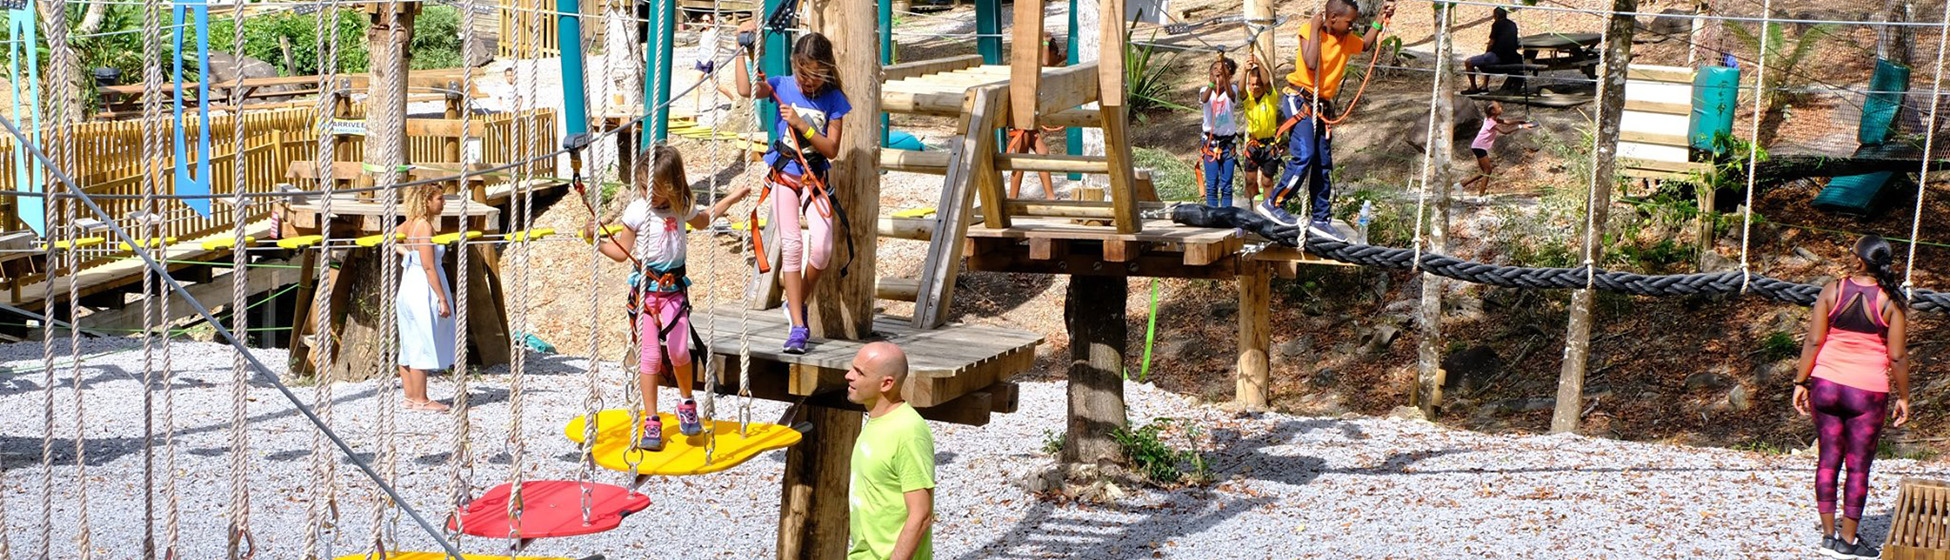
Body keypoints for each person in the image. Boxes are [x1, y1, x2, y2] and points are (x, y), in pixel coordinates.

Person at [587, 144, 752, 451]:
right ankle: (651, 419)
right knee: (649, 357)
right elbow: (621, 253)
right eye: (645, 187)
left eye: (658, 189)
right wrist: (594, 239)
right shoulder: (637, 211)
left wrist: (732, 197)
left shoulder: (680, 206)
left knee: (678, 352)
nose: (651, 195)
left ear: (674, 186)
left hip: (674, 291)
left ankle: (686, 402)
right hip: (647, 294)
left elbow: (705, 219)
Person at [1791, 235, 1911, 560]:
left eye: (1851, 252)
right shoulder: (1891, 302)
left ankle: (1828, 536)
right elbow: (1897, 357)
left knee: (1828, 460)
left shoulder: (1834, 290)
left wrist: (1801, 381)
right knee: (1858, 467)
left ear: (1859, 262)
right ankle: (1848, 541)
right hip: (1867, 393)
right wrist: (1904, 396)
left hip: (1827, 385)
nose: (1849, 256)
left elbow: (1814, 340)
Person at [736, 22, 851, 355]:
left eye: (814, 76)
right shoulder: (781, 86)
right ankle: (799, 326)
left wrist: (802, 125)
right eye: (802, 75)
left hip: (814, 179)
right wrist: (741, 49)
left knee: (823, 249)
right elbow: (746, 90)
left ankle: (794, 302)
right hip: (784, 176)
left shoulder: (834, 100)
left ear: (826, 72)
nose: (806, 82)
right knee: (793, 245)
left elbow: (831, 149)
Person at [1256, 0, 1394, 240]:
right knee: (1305, 154)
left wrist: (1381, 17)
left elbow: (1366, 45)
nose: (1352, 27)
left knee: (1322, 163)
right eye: (1349, 23)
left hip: (1321, 107)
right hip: (1299, 100)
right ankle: (1274, 203)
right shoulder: (1311, 31)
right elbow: (1311, 63)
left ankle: (1320, 218)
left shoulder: (1346, 40)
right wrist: (1314, 25)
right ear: (1331, 19)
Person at [845, 342, 935, 560]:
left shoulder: (908, 432)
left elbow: (921, 514)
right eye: (852, 368)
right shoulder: (878, 421)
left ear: (886, 384)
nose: (848, 375)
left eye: (859, 372)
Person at [396, 185, 455, 413]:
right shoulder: (424, 227)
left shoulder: (409, 224)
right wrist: (442, 298)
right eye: (440, 199)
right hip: (423, 287)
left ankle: (410, 396)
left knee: (409, 339)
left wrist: (408, 255)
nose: (443, 203)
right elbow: (430, 267)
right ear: (427, 201)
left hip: (409, 284)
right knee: (421, 338)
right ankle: (421, 399)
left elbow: (388, 237)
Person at [1007, 33, 1066, 201]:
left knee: (1042, 152)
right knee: (1021, 158)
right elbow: (1046, 62)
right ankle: (1012, 199)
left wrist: (1065, 54)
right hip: (1020, 119)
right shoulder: (1034, 65)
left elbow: (1052, 61)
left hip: (1029, 120)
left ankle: (1050, 197)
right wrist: (1045, 42)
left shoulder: (1038, 66)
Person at [1459, 101, 1536, 195]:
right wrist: (1520, 126)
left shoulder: (1492, 119)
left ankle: (1462, 184)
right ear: (1492, 111)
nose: (1501, 108)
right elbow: (1505, 131)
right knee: (1487, 171)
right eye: (1498, 107)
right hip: (1479, 147)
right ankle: (1481, 196)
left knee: (1484, 171)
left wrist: (1520, 120)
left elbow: (1506, 122)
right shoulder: (1491, 122)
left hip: (1478, 146)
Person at [1238, 50, 1281, 209]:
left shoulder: (1270, 97)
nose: (1255, 87)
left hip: (1269, 144)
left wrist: (1259, 63)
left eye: (1258, 84)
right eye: (1252, 84)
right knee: (1250, 180)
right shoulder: (1248, 99)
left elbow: (1267, 81)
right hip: (1254, 144)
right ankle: (1249, 210)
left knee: (1267, 181)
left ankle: (1269, 209)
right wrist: (1245, 70)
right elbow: (1241, 89)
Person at [1198, 53, 1241, 208]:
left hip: (1227, 144)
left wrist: (1225, 77)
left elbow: (1231, 95)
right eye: (1215, 71)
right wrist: (1212, 83)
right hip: (1211, 143)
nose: (1218, 75)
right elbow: (1204, 100)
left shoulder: (1232, 90)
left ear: (1228, 77)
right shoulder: (1205, 90)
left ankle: (1226, 215)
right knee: (1212, 185)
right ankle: (1212, 214)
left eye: (1222, 73)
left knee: (1227, 185)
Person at [1462, 7, 1522, 94]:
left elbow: (1491, 42)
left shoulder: (1497, 24)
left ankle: (1473, 87)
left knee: (1469, 62)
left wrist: (1487, 52)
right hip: (1511, 56)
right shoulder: (1512, 24)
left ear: (1496, 16)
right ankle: (1484, 85)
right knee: (1486, 59)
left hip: (1499, 57)